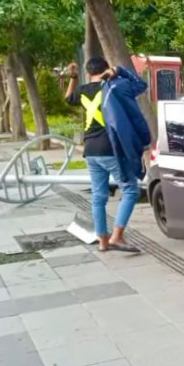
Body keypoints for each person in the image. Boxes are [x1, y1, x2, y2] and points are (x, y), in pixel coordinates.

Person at [65, 58, 148, 253]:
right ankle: (117, 236)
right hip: (111, 148)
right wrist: (119, 70)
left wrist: (74, 77)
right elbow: (141, 85)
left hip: (91, 150)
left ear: (88, 72)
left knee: (98, 197)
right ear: (106, 69)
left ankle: (102, 241)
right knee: (130, 189)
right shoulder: (116, 87)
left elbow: (68, 98)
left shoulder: (83, 90)